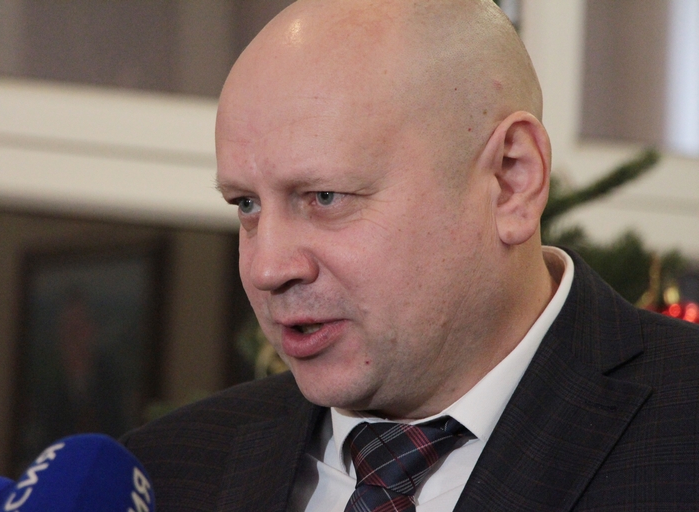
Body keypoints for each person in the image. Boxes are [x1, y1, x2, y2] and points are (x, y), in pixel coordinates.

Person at [122, 0, 699, 510]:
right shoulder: (163, 474)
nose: (266, 268)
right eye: (246, 205)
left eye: (325, 197)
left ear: (511, 181)